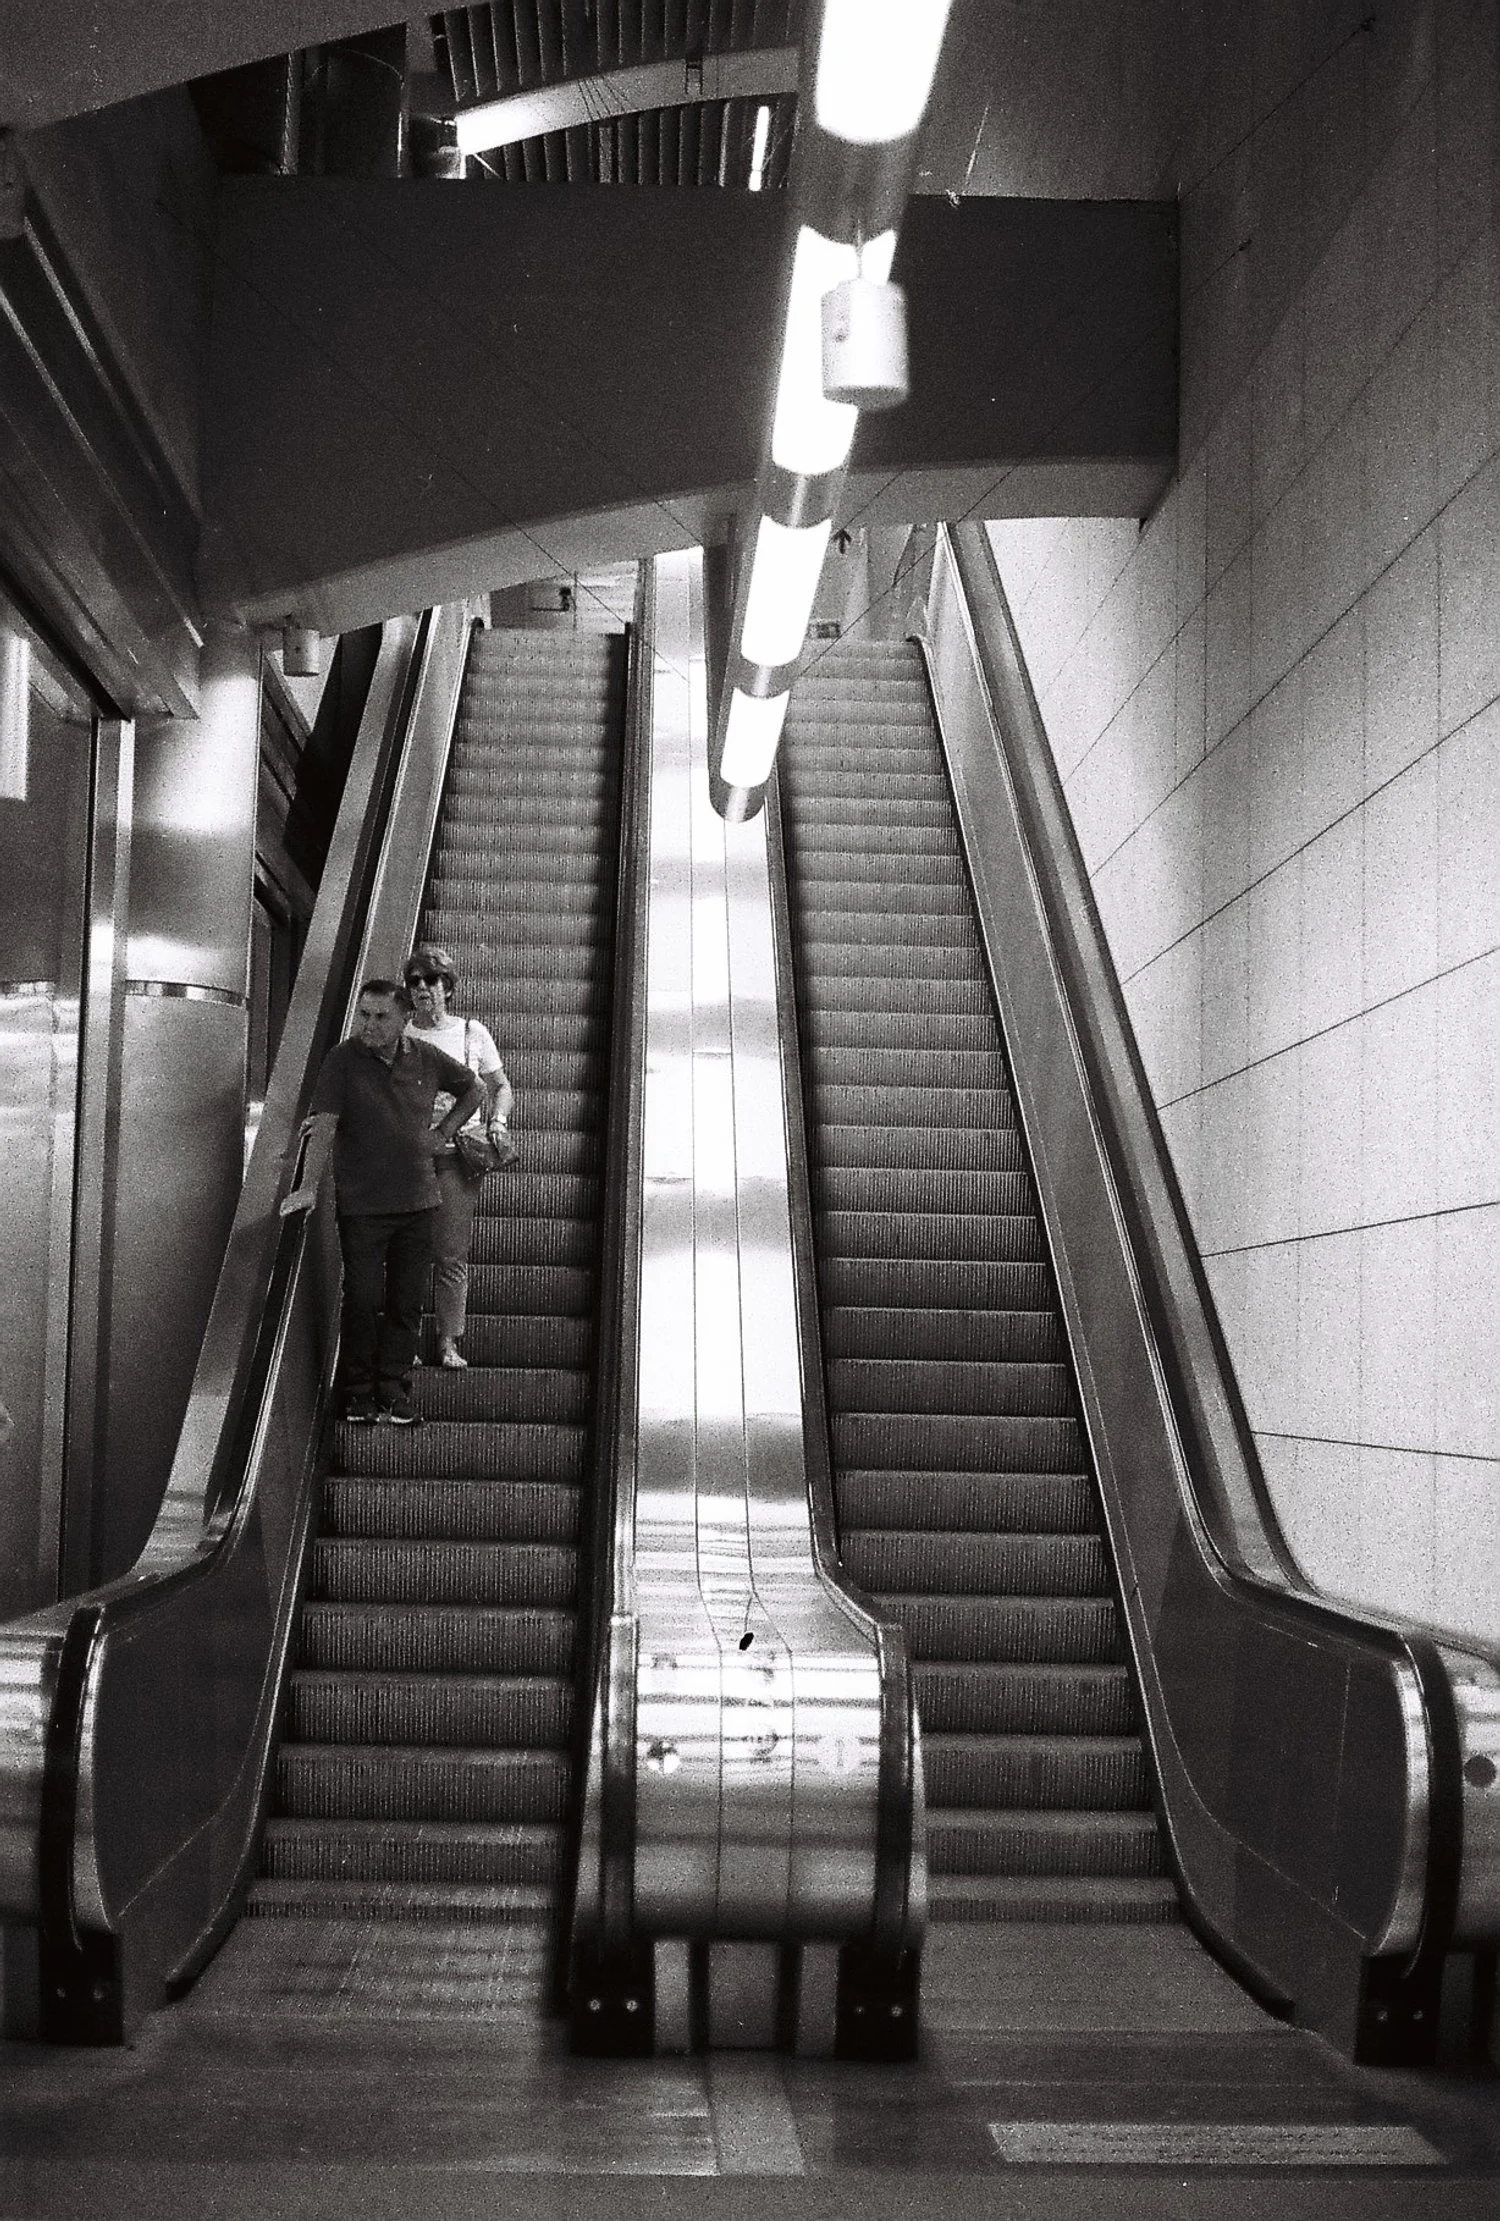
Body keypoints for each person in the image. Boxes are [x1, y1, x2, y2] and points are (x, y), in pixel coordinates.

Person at [304, 976, 484, 1423]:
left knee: (406, 1302)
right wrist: (307, 1186)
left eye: (381, 1016)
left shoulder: (425, 1057)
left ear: (406, 1018)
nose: (369, 1025)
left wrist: (443, 1134)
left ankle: (394, 1391)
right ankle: (358, 1392)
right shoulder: (342, 1061)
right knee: (363, 1299)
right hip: (362, 1206)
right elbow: (324, 1123)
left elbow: (475, 1088)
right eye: (364, 1015)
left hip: (420, 1201)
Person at [403, 942, 514, 1368]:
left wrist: (497, 1122)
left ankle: (448, 1341)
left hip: (457, 1155)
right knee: (407, 1249)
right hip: (408, 1156)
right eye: (414, 982)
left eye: (431, 980)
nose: (422, 989)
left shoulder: (471, 1033)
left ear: (447, 987)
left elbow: (500, 1086)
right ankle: (405, 1340)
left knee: (450, 1251)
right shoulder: (402, 1033)